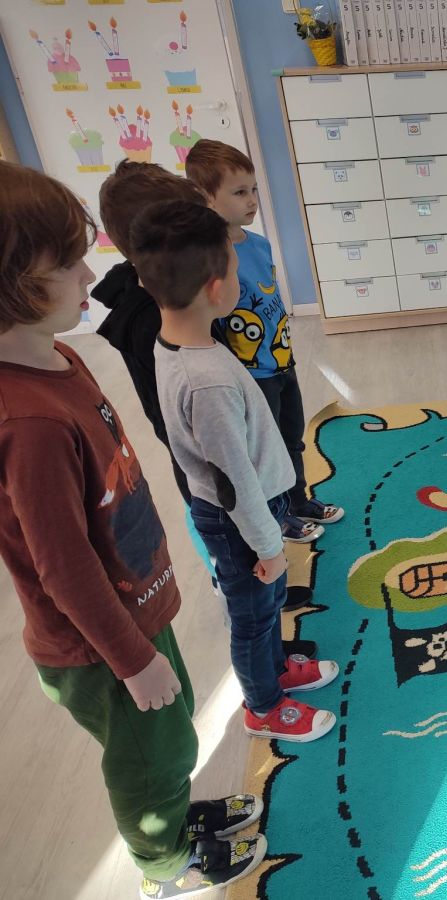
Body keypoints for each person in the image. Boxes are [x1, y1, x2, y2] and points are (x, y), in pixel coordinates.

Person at [0, 161, 266, 899]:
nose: (89, 275)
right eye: (67, 264)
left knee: (170, 733)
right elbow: (62, 567)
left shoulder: (58, 357)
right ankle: (163, 861)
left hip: (135, 606)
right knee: (150, 756)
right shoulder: (28, 422)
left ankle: (176, 819)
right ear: (12, 282)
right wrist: (131, 659)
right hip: (99, 642)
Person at [131, 198, 339, 742]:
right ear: (218, 288)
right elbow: (233, 478)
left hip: (247, 509)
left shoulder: (183, 343)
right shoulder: (207, 381)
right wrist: (269, 544)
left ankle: (276, 670)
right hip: (240, 517)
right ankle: (263, 706)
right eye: (234, 264)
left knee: (266, 605)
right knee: (252, 616)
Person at [94, 160, 318, 640]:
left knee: (246, 528)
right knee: (233, 549)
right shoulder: (158, 325)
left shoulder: (171, 306)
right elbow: (221, 461)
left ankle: (262, 579)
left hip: (220, 444)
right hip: (210, 461)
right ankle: (242, 590)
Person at [185, 139, 342, 543]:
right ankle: (278, 516)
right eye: (239, 192)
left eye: (253, 189)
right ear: (206, 197)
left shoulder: (258, 244)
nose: (252, 200)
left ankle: (297, 500)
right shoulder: (208, 257)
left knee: (292, 438)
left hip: (282, 361)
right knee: (263, 451)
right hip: (251, 376)